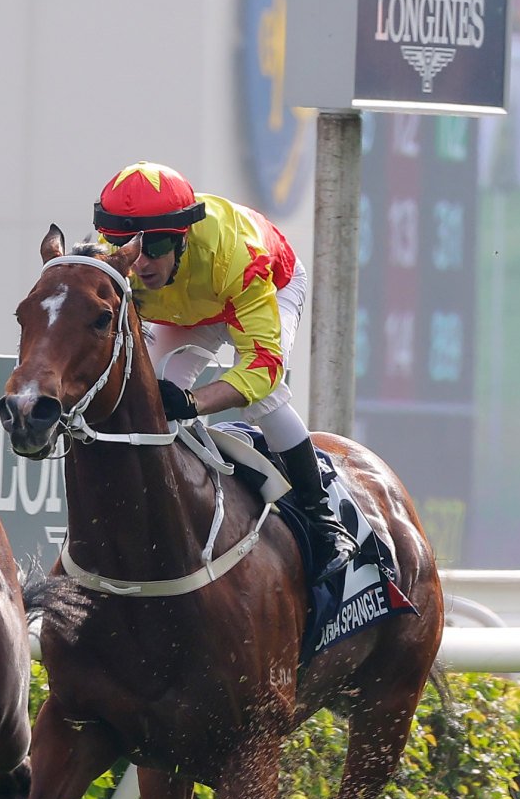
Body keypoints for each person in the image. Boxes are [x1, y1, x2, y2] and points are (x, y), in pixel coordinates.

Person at [90, 161, 354, 578]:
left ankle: (323, 522)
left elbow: (264, 367)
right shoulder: (113, 262)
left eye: (156, 245)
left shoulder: (236, 258)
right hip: (185, 307)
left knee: (264, 400)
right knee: (152, 397)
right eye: (128, 245)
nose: (140, 263)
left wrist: (195, 402)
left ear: (184, 235)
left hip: (262, 288)